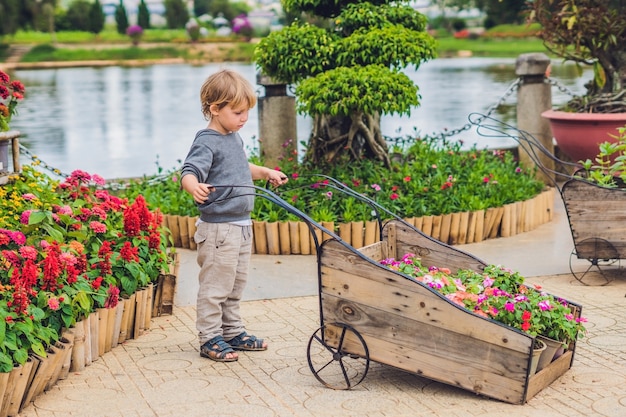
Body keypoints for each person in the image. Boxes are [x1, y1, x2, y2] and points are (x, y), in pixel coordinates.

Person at [180, 69, 288, 362]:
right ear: (215, 109)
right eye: (238, 112)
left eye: (246, 112)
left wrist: (265, 172)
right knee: (216, 286)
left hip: (241, 226)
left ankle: (232, 331)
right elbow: (189, 171)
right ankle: (210, 337)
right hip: (218, 230)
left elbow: (241, 166)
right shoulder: (207, 140)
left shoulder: (233, 138)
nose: (244, 118)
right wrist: (194, 187)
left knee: (235, 284)